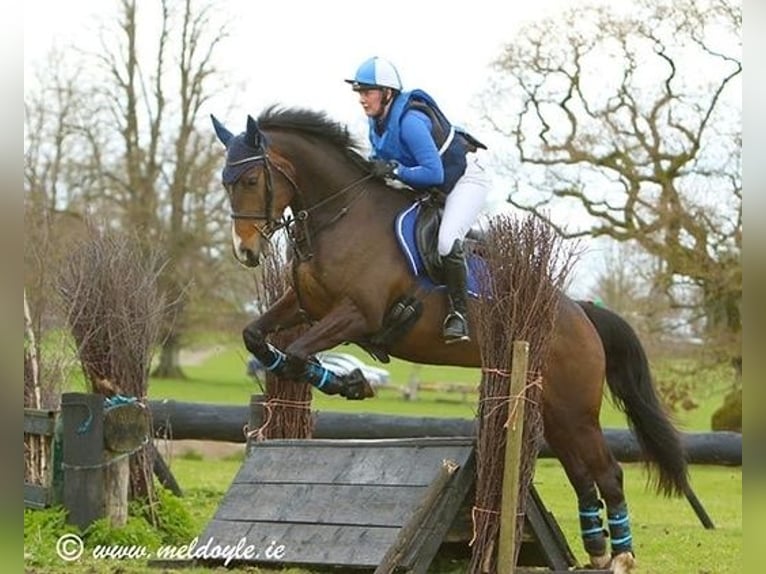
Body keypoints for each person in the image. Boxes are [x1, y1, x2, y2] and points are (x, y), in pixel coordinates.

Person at [345, 56, 491, 344]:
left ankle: (459, 315)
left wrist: (396, 170)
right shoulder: (377, 125)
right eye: (360, 93)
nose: (362, 99)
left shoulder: (410, 122)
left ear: (387, 93)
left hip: (465, 180)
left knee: (447, 240)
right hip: (435, 186)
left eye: (367, 92)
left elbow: (433, 173)